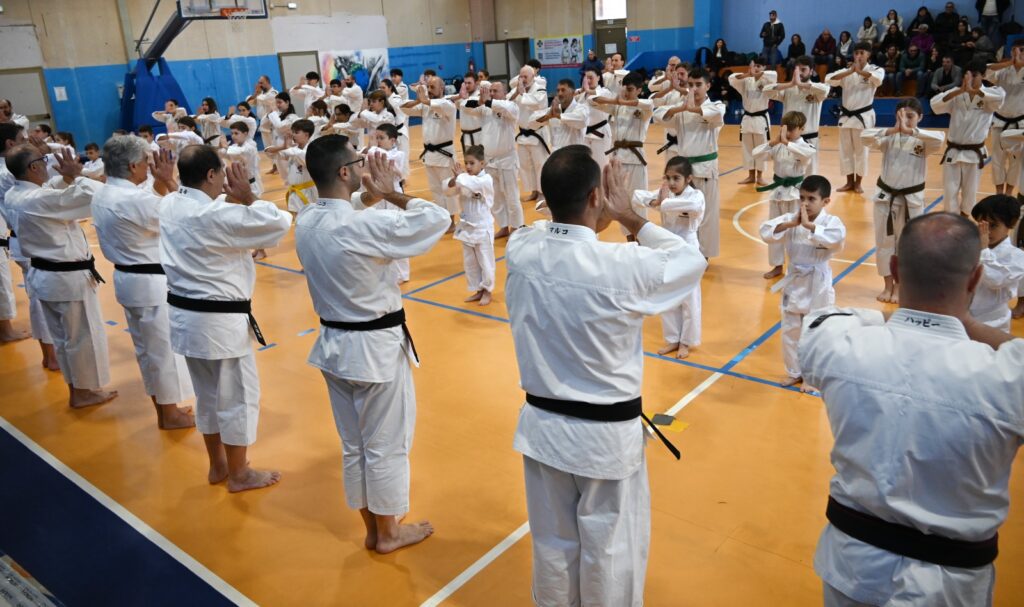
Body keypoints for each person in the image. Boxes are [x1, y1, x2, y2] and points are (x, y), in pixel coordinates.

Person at [506, 148, 705, 606]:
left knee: (553, 547)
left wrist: (582, 208)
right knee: (610, 554)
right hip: (604, 441)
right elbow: (690, 260)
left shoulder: (521, 249)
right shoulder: (620, 266)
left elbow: (542, 227)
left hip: (543, 432)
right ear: (597, 196)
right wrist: (631, 218)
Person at [800, 211, 1024, 607]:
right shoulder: (1007, 377)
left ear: (895, 269)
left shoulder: (840, 348)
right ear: (974, 279)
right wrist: (962, 321)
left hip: (851, 569)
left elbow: (825, 320)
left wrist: (908, 316)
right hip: (950, 586)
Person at [294, 137, 448, 553]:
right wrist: (391, 193)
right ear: (345, 172)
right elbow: (435, 219)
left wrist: (367, 196)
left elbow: (342, 217)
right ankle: (390, 533)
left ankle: (373, 529)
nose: (365, 165)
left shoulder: (306, 219)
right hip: (375, 349)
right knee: (385, 446)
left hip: (333, 346)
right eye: (359, 161)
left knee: (354, 446)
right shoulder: (362, 227)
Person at [159, 145, 291, 493]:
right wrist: (248, 197)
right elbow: (279, 224)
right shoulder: (215, 216)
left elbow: (212, 216)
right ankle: (239, 473)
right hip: (219, 324)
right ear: (211, 175)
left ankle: (218, 466)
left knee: (207, 396)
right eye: (220, 174)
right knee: (235, 398)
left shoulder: (171, 203)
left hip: (186, 320)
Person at [90, 136, 195, 429]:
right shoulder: (132, 199)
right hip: (150, 283)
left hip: (130, 280)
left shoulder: (105, 192)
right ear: (134, 165)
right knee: (162, 351)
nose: (150, 167)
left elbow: (148, 201)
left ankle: (164, 409)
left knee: (147, 350)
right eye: (147, 162)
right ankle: (170, 414)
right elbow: (183, 215)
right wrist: (171, 180)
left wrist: (159, 181)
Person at [5, 145, 116, 407]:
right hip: (67, 279)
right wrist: (78, 176)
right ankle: (85, 392)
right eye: (43, 161)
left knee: (65, 339)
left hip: (45, 275)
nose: (46, 164)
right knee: (81, 337)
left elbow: (52, 191)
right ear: (33, 168)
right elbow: (94, 198)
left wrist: (67, 178)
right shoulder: (35, 200)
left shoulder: (15, 194)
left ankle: (76, 389)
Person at [759, 175, 846, 389]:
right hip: (795, 279)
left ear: (826, 201)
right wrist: (791, 223)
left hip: (818, 281)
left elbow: (837, 240)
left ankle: (812, 377)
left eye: (811, 199)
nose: (805, 204)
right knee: (791, 328)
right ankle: (794, 371)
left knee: (816, 329)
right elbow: (766, 232)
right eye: (802, 198)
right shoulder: (792, 218)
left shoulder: (831, 222)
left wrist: (811, 227)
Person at [862, 98, 945, 304]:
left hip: (911, 200)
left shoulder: (924, 140)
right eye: (900, 116)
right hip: (885, 197)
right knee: (884, 243)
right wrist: (892, 130)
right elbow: (865, 137)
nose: (905, 120)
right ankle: (887, 285)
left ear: (920, 117)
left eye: (910, 116)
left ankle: (901, 286)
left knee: (907, 245)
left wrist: (910, 131)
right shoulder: (889, 137)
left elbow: (940, 139)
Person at [631, 156, 706, 359]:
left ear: (688, 178)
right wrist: (654, 201)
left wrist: (661, 203)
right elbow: (637, 196)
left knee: (689, 299)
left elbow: (693, 207)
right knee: (668, 294)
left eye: (676, 178)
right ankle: (673, 338)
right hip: (667, 249)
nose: (672, 183)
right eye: (668, 178)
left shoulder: (696, 196)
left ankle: (686, 341)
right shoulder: (666, 195)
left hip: (688, 250)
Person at [655, 68, 726, 259]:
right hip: (683, 172)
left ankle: (704, 256)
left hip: (705, 169)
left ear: (708, 86)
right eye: (690, 85)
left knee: (706, 215)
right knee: (680, 214)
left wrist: (690, 107)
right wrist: (681, 108)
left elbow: (716, 116)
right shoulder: (681, 108)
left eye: (698, 85)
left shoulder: (716, 105)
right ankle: (681, 252)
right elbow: (658, 115)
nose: (694, 89)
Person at [0, 124, 55, 360]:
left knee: (38, 297)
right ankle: (50, 355)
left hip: (21, 240)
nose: (27, 141)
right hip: (28, 241)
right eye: (23, 139)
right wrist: (45, 159)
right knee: (42, 300)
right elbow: (43, 188)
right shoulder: (7, 173)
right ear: (11, 144)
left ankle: (49, 354)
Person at [930, 59, 1005, 217]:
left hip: (974, 151)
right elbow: (935, 105)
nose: (969, 79)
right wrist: (960, 91)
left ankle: (964, 220)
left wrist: (975, 91)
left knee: (970, 192)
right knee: (950, 190)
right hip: (953, 151)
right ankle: (951, 221)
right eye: (966, 75)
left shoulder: (991, 94)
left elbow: (1000, 100)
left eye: (974, 75)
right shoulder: (957, 93)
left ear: (983, 76)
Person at [754, 111, 816, 280]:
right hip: (778, 192)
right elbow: (756, 154)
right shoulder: (778, 145)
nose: (788, 132)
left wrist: (787, 143)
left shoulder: (806, 147)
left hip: (796, 194)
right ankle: (777, 265)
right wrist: (773, 142)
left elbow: (806, 155)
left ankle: (798, 265)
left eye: (792, 129)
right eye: (785, 128)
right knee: (776, 227)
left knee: (797, 231)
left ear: (802, 129)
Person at [590, 72, 654, 223]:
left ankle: (640, 239)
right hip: (618, 159)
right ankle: (629, 238)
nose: (626, 92)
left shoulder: (644, 108)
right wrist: (616, 101)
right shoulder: (616, 107)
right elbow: (591, 100)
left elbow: (650, 104)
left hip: (635, 159)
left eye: (630, 89)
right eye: (624, 88)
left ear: (639, 90)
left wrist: (623, 102)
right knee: (619, 202)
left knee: (637, 201)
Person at [461, 81, 522, 240]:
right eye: (491, 91)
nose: (492, 93)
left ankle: (516, 227)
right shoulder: (485, 109)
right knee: (495, 198)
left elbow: (505, 108)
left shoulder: (511, 107)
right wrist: (480, 100)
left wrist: (488, 101)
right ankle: (503, 226)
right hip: (490, 161)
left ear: (505, 93)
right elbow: (466, 107)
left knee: (512, 196)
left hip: (507, 160)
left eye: (496, 91)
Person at [826, 42, 884, 194]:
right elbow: (829, 79)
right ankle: (848, 182)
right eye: (856, 53)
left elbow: (878, 80)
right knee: (845, 151)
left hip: (863, 116)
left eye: (862, 53)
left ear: (868, 55)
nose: (858, 56)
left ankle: (858, 183)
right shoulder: (847, 72)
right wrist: (851, 71)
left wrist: (860, 71)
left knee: (861, 151)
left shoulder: (876, 70)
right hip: (846, 116)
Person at [402, 76, 458, 230]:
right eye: (429, 87)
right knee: (435, 189)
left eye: (433, 87)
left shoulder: (448, 105)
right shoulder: (426, 106)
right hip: (429, 154)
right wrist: (418, 100)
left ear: (442, 88)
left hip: (445, 154)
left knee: (448, 188)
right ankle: (442, 219)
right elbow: (404, 108)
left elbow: (438, 104)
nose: (430, 90)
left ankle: (452, 221)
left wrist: (424, 98)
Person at [446, 145, 496, 305]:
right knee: (471, 262)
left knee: (485, 260)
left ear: (482, 163)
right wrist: (453, 181)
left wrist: (461, 177)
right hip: (467, 225)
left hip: (482, 226)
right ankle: (478, 289)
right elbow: (448, 191)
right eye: (466, 163)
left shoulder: (485, 180)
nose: (467, 166)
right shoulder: (465, 179)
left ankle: (488, 290)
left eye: (472, 163)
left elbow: (473, 184)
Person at [765, 56, 830, 175]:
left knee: (810, 174)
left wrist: (801, 84)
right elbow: (766, 91)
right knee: (788, 172)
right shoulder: (788, 90)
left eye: (803, 69)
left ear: (811, 71)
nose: (799, 73)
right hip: (788, 139)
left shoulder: (817, 90)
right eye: (797, 70)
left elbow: (825, 90)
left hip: (809, 139)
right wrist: (791, 84)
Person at [364, 123, 412, 282]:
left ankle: (402, 273)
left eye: (381, 138)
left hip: (394, 194)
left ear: (392, 140)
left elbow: (384, 159)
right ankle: (383, 269)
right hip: (378, 193)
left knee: (396, 231)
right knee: (379, 230)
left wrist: (370, 149)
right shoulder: (376, 152)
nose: (378, 141)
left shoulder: (398, 154)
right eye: (376, 138)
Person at [969, 195, 1024, 331]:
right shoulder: (971, 247)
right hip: (965, 317)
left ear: (1011, 223)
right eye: (982, 225)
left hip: (994, 323)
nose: (986, 232)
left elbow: (995, 280)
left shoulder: (1018, 257)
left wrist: (983, 250)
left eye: (993, 226)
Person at [729, 58, 777, 186]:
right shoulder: (745, 81)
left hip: (761, 119)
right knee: (747, 148)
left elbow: (774, 75)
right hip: (747, 118)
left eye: (759, 66)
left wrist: (758, 74)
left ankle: (760, 176)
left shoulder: (767, 80)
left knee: (761, 148)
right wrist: (748, 74)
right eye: (753, 66)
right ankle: (751, 176)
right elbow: (731, 78)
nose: (755, 68)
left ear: (763, 68)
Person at [986, 41, 1024, 197]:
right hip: (1000, 121)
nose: (1020, 53)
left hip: (1020, 122)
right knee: (997, 159)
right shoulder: (1002, 70)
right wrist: (1010, 62)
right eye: (1018, 50)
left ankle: (1009, 193)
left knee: (1016, 160)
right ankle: (999, 193)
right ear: (1012, 51)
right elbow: (986, 70)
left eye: (1023, 50)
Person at [510, 66, 551, 205]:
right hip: (522, 134)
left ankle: (542, 192)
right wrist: (517, 93)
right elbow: (507, 100)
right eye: (521, 77)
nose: (523, 79)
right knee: (525, 165)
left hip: (537, 133)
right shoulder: (519, 89)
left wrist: (521, 94)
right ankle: (533, 191)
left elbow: (535, 103)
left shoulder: (540, 89)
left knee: (540, 164)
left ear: (533, 77)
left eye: (525, 77)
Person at [530, 79, 589, 151]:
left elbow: (582, 121)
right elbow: (531, 122)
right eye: (558, 91)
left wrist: (559, 116)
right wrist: (548, 116)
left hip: (574, 155)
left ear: (573, 93)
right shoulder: (554, 110)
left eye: (563, 90)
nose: (560, 93)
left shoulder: (582, 108)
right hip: (556, 155)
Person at [578, 68, 615, 169]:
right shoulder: (582, 94)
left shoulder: (604, 91)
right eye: (586, 78)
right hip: (585, 134)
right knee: (585, 167)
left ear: (598, 77)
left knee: (601, 166)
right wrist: (582, 91)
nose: (588, 81)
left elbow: (598, 97)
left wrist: (587, 90)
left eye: (590, 78)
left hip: (601, 133)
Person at [222, 121, 263, 198]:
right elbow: (223, 153)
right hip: (239, 185)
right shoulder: (234, 146)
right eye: (232, 133)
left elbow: (243, 151)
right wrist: (219, 147)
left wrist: (225, 146)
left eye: (236, 133)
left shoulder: (251, 146)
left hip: (252, 184)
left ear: (245, 133)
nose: (233, 136)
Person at [246, 75, 278, 155]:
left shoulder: (274, 93)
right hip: (263, 123)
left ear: (267, 82)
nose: (259, 85)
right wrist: (256, 93)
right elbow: (249, 103)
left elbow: (264, 99)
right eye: (259, 83)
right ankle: (274, 165)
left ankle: (278, 165)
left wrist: (258, 94)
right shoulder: (260, 94)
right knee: (267, 146)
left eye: (261, 83)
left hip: (272, 123)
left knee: (274, 144)